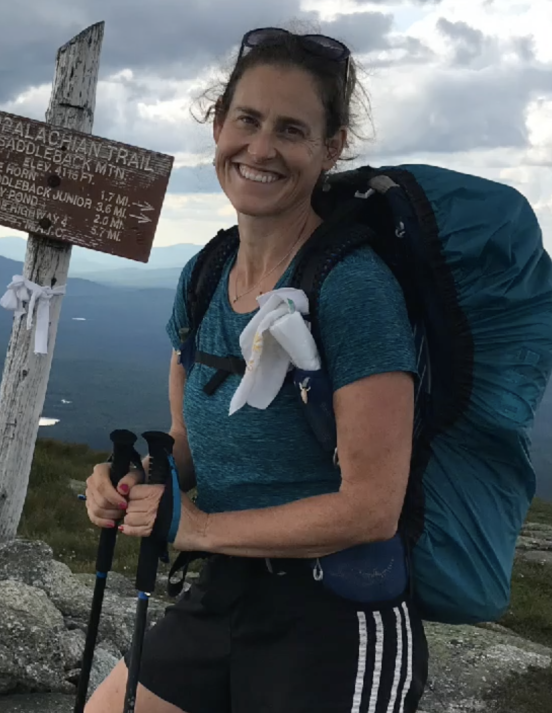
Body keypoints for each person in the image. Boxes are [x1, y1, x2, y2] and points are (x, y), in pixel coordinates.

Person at [83, 26, 429, 713]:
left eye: (292, 130)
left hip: (337, 612)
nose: (261, 148)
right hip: (225, 589)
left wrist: (199, 527)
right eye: (247, 120)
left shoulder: (352, 287)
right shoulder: (206, 274)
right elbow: (189, 445)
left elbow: (371, 506)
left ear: (330, 149)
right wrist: (132, 483)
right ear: (219, 126)